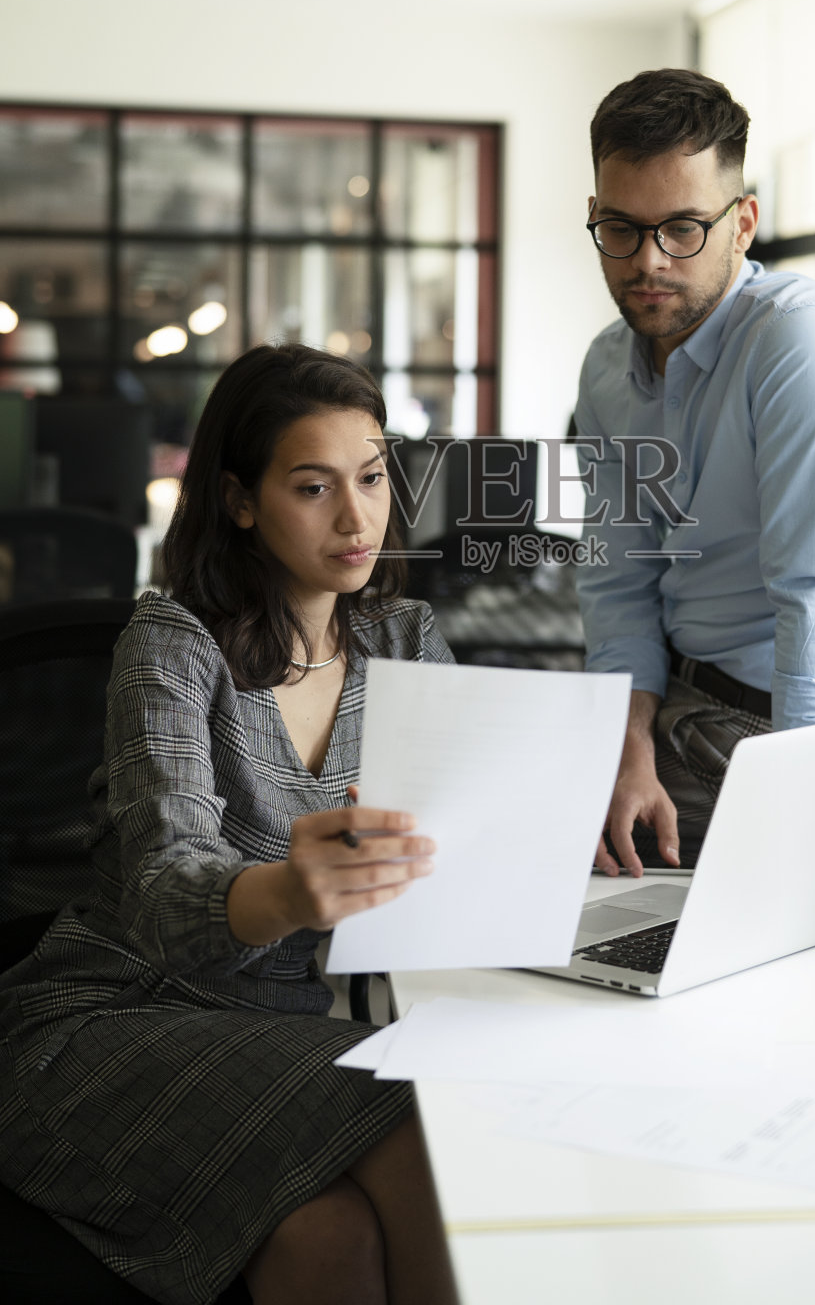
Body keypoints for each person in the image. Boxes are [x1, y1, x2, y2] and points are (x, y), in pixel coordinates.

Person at [0, 343, 459, 1305]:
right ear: (241, 501)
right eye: (313, 487)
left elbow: (461, 841)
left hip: (280, 1033)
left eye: (372, 477)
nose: (356, 517)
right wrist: (290, 891)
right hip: (116, 1018)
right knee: (416, 1103)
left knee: (320, 1237)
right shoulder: (172, 644)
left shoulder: (403, 641)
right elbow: (166, 892)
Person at [574, 68, 815, 919]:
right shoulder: (605, 366)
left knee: (546, 864)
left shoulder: (801, 345)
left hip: (775, 730)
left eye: (683, 228)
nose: (648, 261)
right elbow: (618, 583)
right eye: (620, 229)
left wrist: (814, 820)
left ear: (742, 223)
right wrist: (626, 751)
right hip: (662, 712)